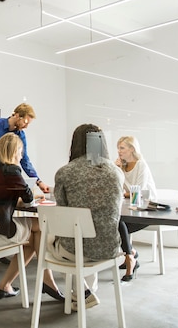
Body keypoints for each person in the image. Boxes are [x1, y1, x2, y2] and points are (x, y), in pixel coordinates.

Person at [0, 133, 63, 301]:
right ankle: (47, 280)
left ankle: (6, 286)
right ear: (15, 151)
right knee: (39, 229)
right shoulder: (11, 170)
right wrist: (31, 198)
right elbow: (28, 199)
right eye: (21, 151)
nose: (21, 155)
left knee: (31, 240)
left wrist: (20, 200)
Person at [52, 124, 124, 310]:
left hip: (75, 248)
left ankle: (84, 293)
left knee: (55, 241)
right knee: (87, 240)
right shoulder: (116, 172)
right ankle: (83, 294)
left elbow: (62, 213)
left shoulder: (65, 172)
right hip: (109, 248)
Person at [0, 102, 50, 192]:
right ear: (17, 115)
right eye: (25, 122)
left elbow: (24, 159)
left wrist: (38, 181)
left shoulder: (20, 135)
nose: (26, 127)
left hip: (4, 175)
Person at [115, 135, 157, 280]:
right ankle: (130, 254)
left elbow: (138, 191)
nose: (119, 152)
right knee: (116, 222)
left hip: (148, 210)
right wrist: (117, 170)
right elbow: (118, 190)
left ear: (132, 149)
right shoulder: (122, 166)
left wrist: (126, 193)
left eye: (122, 148)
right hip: (132, 208)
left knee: (119, 224)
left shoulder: (141, 165)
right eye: (118, 148)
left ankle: (130, 258)